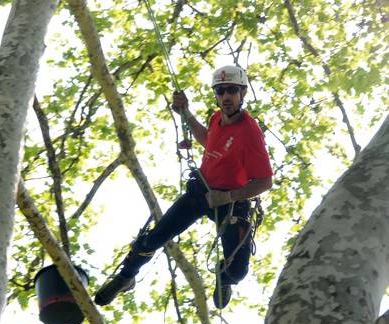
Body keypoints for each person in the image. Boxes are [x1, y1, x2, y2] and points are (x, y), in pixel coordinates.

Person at [94, 65, 273, 309]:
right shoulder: (217, 118)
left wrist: (228, 196)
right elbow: (208, 139)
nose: (226, 97)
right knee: (153, 239)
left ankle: (224, 277)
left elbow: (264, 181)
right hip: (201, 192)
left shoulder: (250, 132)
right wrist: (185, 113)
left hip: (232, 205)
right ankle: (126, 277)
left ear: (243, 93)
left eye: (231, 90)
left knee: (238, 271)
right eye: (220, 91)